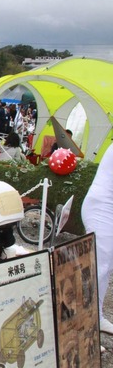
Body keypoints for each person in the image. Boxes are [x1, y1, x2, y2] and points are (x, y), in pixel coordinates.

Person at [81, 143, 113, 352]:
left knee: (105, 268)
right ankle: (84, 330)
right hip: (102, 209)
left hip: (107, 209)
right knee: (96, 269)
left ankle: (97, 317)